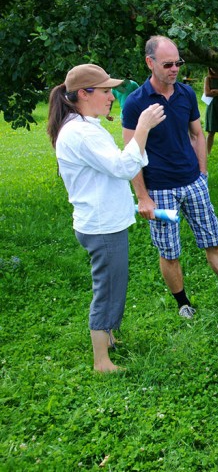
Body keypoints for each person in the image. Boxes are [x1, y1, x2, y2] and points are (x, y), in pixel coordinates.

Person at [122, 35, 218, 319]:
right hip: (159, 190)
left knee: (213, 239)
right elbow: (131, 153)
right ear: (150, 63)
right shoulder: (136, 103)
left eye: (178, 63)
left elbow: (197, 134)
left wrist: (202, 173)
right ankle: (183, 303)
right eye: (168, 64)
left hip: (193, 182)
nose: (175, 69)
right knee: (169, 251)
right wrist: (142, 196)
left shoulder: (186, 95)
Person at [47, 64, 166, 372]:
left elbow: (118, 164)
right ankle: (102, 360)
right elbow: (125, 168)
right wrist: (142, 128)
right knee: (109, 287)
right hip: (101, 226)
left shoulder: (85, 125)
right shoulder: (81, 132)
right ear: (84, 94)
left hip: (104, 221)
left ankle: (110, 337)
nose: (112, 95)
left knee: (115, 282)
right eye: (105, 90)